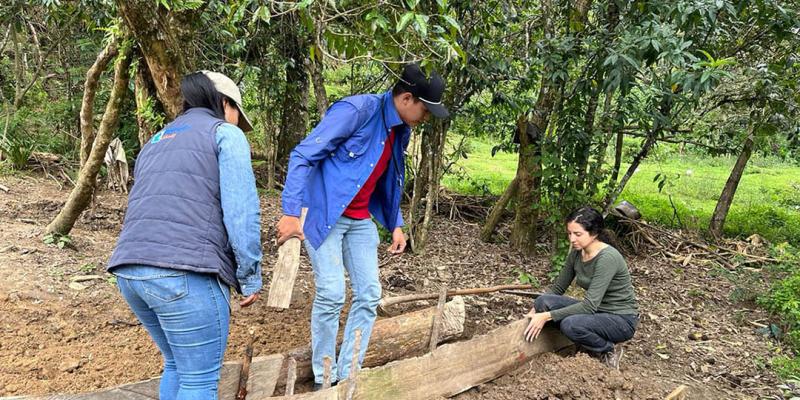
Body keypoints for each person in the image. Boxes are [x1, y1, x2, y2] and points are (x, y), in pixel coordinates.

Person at [276, 63, 449, 389]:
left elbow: (390, 180)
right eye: (426, 110)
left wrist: (396, 223)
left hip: (359, 221)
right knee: (331, 293)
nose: (426, 118)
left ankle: (347, 376)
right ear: (408, 98)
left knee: (369, 295)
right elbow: (302, 155)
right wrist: (289, 212)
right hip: (324, 215)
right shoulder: (357, 111)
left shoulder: (401, 129)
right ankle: (323, 380)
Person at [107, 71, 263, 399]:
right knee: (199, 381)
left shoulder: (157, 140)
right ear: (224, 104)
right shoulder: (226, 135)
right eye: (237, 116)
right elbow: (241, 212)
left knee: (177, 364)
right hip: (184, 274)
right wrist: (249, 277)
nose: (238, 125)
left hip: (130, 270)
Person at [523, 206, 639, 370]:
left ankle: (608, 350)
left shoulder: (607, 258)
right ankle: (574, 341)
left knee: (571, 324)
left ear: (594, 233)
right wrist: (536, 310)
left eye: (578, 234)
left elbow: (589, 305)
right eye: (570, 233)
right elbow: (557, 289)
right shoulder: (577, 254)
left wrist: (546, 316)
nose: (572, 239)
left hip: (620, 319)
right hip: (596, 312)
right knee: (543, 301)